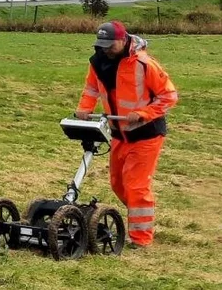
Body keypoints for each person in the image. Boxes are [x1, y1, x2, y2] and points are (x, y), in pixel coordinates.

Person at [74, 20, 178, 248]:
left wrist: (143, 113)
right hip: (119, 134)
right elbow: (91, 88)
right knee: (118, 184)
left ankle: (141, 239)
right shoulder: (97, 62)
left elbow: (169, 96)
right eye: (102, 45)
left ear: (123, 40)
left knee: (136, 186)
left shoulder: (144, 63)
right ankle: (139, 218)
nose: (106, 50)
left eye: (110, 45)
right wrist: (84, 109)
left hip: (146, 134)